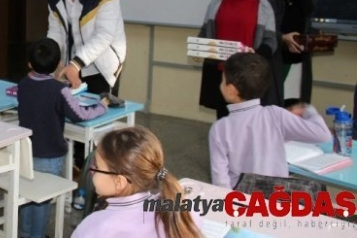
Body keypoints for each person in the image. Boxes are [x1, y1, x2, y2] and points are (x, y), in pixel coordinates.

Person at [18, 38, 108, 238]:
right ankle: (37, 236)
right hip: (50, 155)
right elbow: (80, 115)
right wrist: (102, 106)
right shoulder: (59, 90)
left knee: (27, 194)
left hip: (26, 152)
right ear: (58, 63)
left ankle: (24, 234)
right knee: (43, 199)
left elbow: (41, 93)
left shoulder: (23, 84)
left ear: (30, 64)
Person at [209, 53, 331, 189]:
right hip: (276, 199)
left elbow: (220, 181)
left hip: (241, 201)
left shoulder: (219, 128)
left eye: (222, 80)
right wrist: (307, 110)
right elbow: (323, 135)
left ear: (231, 90)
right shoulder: (276, 115)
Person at [71, 127, 202, 238]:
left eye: (97, 168)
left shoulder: (96, 227)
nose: (92, 172)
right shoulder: (185, 213)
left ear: (119, 182)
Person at [198, 0, 278, 119]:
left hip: (248, 76)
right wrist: (199, 48)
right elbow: (205, 32)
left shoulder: (263, 6)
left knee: (248, 121)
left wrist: (255, 53)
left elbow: (271, 40)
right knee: (223, 119)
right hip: (222, 74)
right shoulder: (217, 2)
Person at [44, 0, 126, 94]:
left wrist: (76, 64)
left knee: (100, 113)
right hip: (72, 65)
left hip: (101, 65)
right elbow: (55, 31)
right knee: (73, 112)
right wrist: (51, 59)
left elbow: (104, 35)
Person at [265, 0, 314, 103]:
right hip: (276, 64)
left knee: (295, 109)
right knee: (275, 108)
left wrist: (315, 38)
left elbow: (307, 28)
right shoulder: (269, 0)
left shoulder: (305, 0)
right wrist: (283, 38)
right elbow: (262, 31)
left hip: (299, 64)